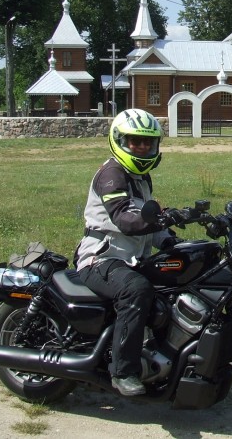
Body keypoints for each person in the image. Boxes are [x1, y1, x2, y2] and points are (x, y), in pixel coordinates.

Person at [74, 109, 175, 396]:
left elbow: (148, 221)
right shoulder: (112, 174)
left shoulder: (141, 176)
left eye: (148, 143)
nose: (143, 148)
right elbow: (124, 218)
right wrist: (161, 217)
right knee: (137, 290)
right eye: (135, 142)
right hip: (101, 259)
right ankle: (123, 371)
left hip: (131, 259)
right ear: (120, 141)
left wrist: (170, 241)